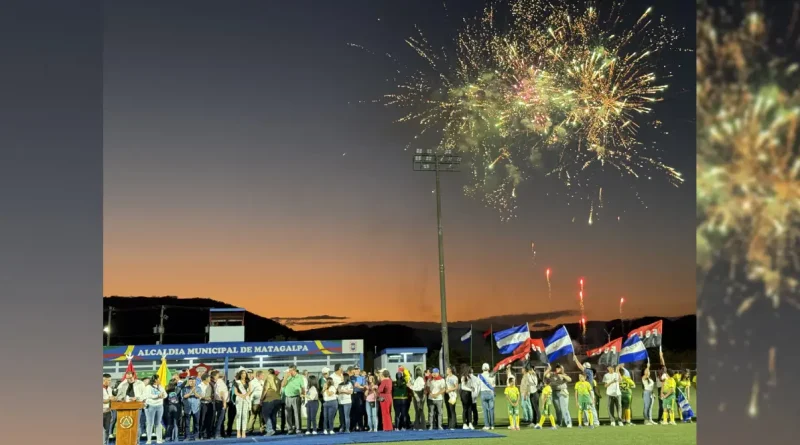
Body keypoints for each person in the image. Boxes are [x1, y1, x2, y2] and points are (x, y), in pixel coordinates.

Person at [572, 356, 600, 426]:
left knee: (591, 407)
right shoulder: (589, 372)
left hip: (588, 392)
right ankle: (588, 422)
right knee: (585, 408)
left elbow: (580, 367)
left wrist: (576, 360)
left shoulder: (588, 371)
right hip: (586, 392)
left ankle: (595, 422)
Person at [545, 364, 572, 428]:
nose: (557, 369)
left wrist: (562, 375)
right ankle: (559, 422)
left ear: (562, 369)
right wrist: (548, 369)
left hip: (562, 392)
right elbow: (546, 375)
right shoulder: (552, 374)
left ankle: (568, 422)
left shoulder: (564, 375)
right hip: (554, 392)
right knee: (558, 409)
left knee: (564, 408)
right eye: (556, 368)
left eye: (559, 368)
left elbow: (569, 379)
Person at [143, 375, 167, 445]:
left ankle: (159, 439)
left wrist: (163, 395)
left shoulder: (161, 387)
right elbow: (148, 395)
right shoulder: (148, 387)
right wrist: (157, 396)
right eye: (158, 379)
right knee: (150, 423)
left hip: (159, 406)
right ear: (155, 380)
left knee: (158, 423)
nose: (160, 380)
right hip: (151, 406)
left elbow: (165, 395)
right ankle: (149, 439)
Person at [282, 365, 304, 435]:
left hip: (296, 397)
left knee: (297, 414)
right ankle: (290, 429)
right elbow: (282, 385)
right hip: (288, 397)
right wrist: (285, 377)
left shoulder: (300, 377)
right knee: (288, 414)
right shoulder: (287, 377)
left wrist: (303, 395)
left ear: (294, 370)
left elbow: (303, 387)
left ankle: (298, 429)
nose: (289, 372)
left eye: (290, 370)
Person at [181, 376, 201, 441]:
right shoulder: (185, 389)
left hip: (196, 408)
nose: (191, 382)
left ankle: (196, 436)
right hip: (187, 408)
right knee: (187, 424)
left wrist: (194, 391)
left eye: (193, 381)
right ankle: (187, 437)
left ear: (195, 381)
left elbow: (199, 396)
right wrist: (190, 392)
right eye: (190, 381)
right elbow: (184, 396)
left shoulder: (198, 388)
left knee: (196, 423)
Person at [260, 370, 281, 436]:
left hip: (269, 399)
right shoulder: (278, 379)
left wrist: (261, 399)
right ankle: (274, 429)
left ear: (269, 373)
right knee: (273, 415)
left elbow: (265, 389)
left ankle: (270, 429)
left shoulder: (269, 378)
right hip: (277, 399)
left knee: (265, 414)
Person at [232, 369, 252, 438]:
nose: (244, 374)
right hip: (239, 398)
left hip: (246, 399)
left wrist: (245, 395)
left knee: (244, 415)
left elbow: (250, 390)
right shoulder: (236, 382)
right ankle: (238, 432)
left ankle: (243, 432)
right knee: (239, 415)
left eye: (245, 373)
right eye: (242, 373)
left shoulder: (248, 381)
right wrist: (241, 395)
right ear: (240, 374)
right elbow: (235, 392)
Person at [210, 370, 228, 439]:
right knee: (220, 419)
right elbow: (222, 393)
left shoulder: (217, 382)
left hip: (218, 402)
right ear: (216, 376)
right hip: (221, 402)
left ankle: (216, 433)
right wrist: (224, 402)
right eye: (219, 374)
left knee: (219, 419)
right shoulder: (220, 382)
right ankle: (217, 434)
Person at [477, 363, 496, 430]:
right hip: (490, 392)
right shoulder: (492, 375)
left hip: (483, 393)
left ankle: (487, 425)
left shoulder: (479, 376)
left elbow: (478, 386)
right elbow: (493, 385)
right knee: (491, 410)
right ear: (489, 368)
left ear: (482, 368)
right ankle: (492, 425)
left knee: (485, 410)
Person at [164, 377, 182, 442]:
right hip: (176, 407)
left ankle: (168, 438)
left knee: (169, 423)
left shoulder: (166, 389)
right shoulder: (178, 389)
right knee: (175, 423)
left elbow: (164, 399)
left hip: (168, 407)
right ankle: (176, 438)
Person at [247, 370, 264, 434]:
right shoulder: (252, 382)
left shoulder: (262, 382)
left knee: (262, 416)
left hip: (262, 402)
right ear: (259, 375)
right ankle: (250, 430)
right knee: (253, 416)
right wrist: (250, 403)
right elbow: (249, 392)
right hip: (255, 403)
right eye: (262, 375)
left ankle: (262, 429)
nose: (263, 376)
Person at [458, 365, 475, 430]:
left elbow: (469, 385)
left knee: (470, 409)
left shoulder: (470, 377)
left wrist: (471, 387)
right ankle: (464, 424)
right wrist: (470, 389)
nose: (472, 371)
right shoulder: (463, 377)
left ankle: (470, 423)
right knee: (465, 409)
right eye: (470, 369)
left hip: (469, 394)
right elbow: (463, 387)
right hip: (464, 394)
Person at [350, 366, 366, 432]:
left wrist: (359, 386)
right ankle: (353, 426)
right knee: (352, 411)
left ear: (359, 370)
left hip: (359, 394)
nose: (356, 370)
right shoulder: (351, 378)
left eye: (357, 369)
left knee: (359, 411)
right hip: (352, 394)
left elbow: (365, 387)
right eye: (355, 369)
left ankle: (360, 426)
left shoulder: (362, 378)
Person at [197, 373, 214, 439]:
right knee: (202, 419)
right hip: (203, 404)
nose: (210, 379)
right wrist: (204, 398)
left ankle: (208, 434)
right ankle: (201, 434)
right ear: (205, 378)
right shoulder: (200, 386)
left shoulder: (210, 385)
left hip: (210, 403)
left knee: (209, 419)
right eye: (209, 378)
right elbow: (198, 395)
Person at [642, 360, 656, 425]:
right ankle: (646, 420)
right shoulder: (643, 377)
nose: (648, 372)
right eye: (646, 371)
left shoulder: (650, 379)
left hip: (651, 393)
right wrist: (648, 367)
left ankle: (650, 419)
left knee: (650, 407)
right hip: (646, 393)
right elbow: (646, 374)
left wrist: (653, 394)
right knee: (646, 406)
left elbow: (652, 387)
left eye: (648, 371)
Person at [103, 374, 114, 445]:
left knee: (107, 430)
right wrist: (110, 399)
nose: (110, 382)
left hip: (108, 412)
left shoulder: (110, 389)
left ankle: (105, 443)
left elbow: (111, 399)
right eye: (108, 380)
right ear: (104, 380)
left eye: (110, 380)